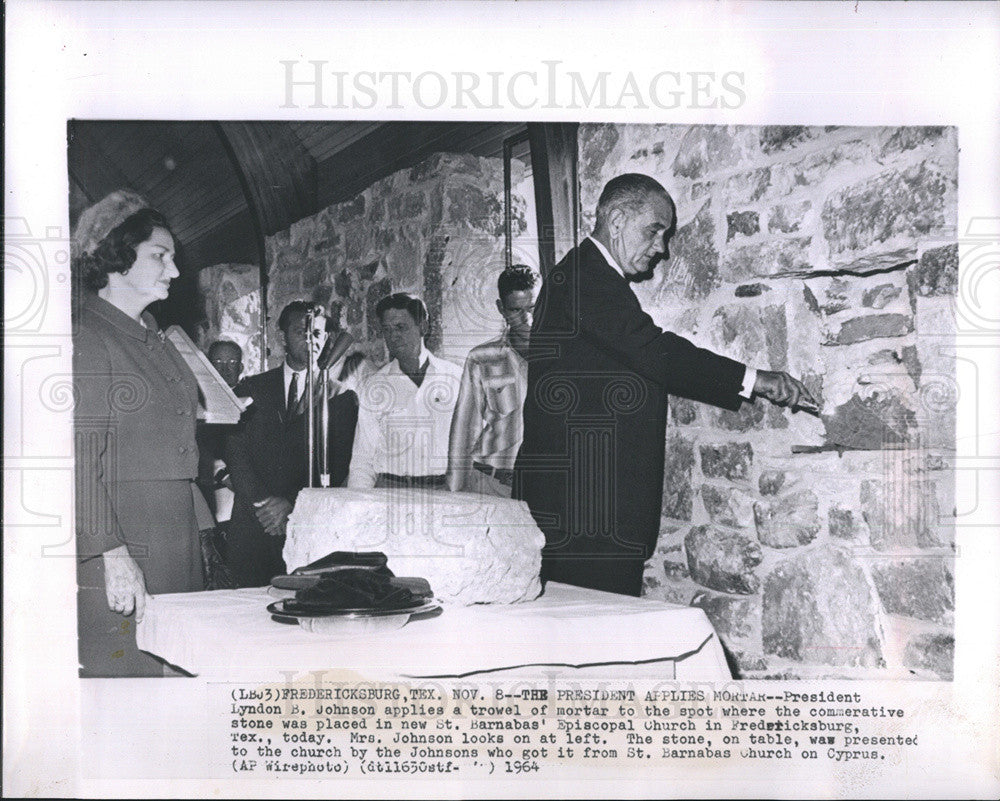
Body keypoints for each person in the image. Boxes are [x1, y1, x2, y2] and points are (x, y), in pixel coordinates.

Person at [514, 173, 818, 597]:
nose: (661, 248)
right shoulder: (586, 277)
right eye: (654, 230)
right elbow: (656, 352)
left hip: (583, 508)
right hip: (585, 513)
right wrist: (756, 379)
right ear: (617, 219)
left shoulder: (584, 275)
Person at [72, 190, 209, 676]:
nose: (173, 271)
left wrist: (204, 537)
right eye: (159, 256)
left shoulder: (156, 339)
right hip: (124, 539)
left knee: (177, 681)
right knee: (129, 684)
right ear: (116, 257)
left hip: (177, 540)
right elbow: (77, 462)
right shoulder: (88, 336)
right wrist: (111, 554)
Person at [224, 302, 357, 588]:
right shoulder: (250, 388)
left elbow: (337, 463)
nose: (312, 341)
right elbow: (236, 452)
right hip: (252, 526)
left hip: (305, 524)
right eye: (301, 331)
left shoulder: (340, 397)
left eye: (319, 334)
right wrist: (264, 505)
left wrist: (291, 504)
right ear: (282, 336)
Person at [348, 293, 463, 490]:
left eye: (401, 327)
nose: (393, 336)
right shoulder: (376, 386)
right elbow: (363, 459)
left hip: (443, 491)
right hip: (391, 491)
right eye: (387, 330)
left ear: (423, 327)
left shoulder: (456, 378)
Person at [447, 265, 536, 497]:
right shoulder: (481, 358)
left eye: (533, 307)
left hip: (548, 487)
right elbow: (465, 429)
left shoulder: (566, 357)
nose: (526, 319)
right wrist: (457, 492)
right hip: (492, 484)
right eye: (515, 310)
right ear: (501, 309)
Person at [195, 340, 243, 587]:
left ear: (242, 367)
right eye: (219, 363)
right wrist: (224, 475)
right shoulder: (197, 402)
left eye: (232, 363)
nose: (225, 370)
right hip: (216, 501)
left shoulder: (250, 400)